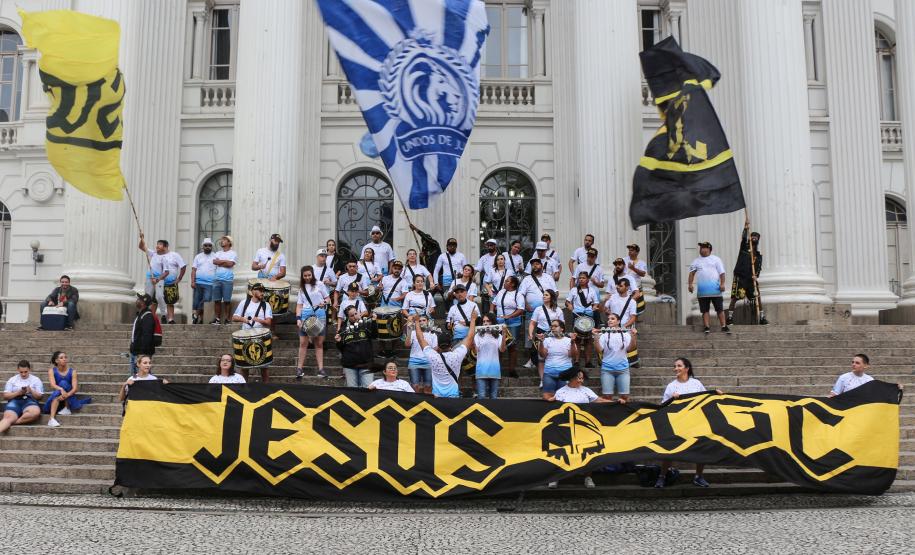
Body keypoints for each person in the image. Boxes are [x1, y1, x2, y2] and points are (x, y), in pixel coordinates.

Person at [656, 357, 721, 488]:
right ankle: (662, 476)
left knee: (702, 448)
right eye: (675, 366)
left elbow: (705, 398)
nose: (676, 368)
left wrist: (716, 393)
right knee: (669, 450)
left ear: (687, 368)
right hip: (677, 423)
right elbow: (663, 406)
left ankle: (698, 476)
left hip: (695, 421)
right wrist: (672, 400)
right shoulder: (671, 386)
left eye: (679, 366)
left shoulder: (696, 383)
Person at [545, 366, 609, 489]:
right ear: (571, 378)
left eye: (582, 378)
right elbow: (552, 406)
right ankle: (556, 478)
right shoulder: (561, 392)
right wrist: (547, 401)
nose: (581, 380)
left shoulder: (586, 390)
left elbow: (599, 400)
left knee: (587, 453)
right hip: (564, 429)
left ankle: (588, 477)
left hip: (583, 428)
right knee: (561, 453)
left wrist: (616, 402)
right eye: (579, 378)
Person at [413, 313, 476, 398]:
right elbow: (470, 337)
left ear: (438, 346)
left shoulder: (433, 356)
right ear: (450, 345)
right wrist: (473, 319)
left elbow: (420, 339)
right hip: (453, 396)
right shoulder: (457, 355)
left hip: (437, 396)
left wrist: (417, 322)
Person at [519, 258, 558, 369]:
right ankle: (531, 360)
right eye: (533, 265)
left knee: (548, 336)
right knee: (531, 336)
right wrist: (526, 305)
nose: (535, 266)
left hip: (547, 313)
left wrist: (553, 304)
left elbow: (555, 292)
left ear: (542, 266)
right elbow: (521, 294)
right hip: (531, 312)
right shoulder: (527, 279)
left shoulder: (548, 277)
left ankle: (549, 358)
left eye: (537, 264)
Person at [231, 282, 273, 382]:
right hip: (246, 335)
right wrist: (243, 319)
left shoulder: (266, 305)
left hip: (261, 336)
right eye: (260, 290)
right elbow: (234, 317)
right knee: (245, 365)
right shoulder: (244, 302)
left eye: (263, 291)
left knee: (264, 365)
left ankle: (266, 387)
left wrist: (258, 320)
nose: (262, 293)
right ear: (252, 291)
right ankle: (244, 386)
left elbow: (268, 322)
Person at [138, 235, 185, 324]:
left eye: (159, 244)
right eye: (157, 244)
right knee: (154, 301)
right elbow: (141, 247)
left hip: (169, 283)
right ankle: (151, 319)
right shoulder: (154, 254)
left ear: (166, 246)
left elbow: (183, 266)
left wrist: (179, 278)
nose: (157, 246)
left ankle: (170, 319)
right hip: (157, 282)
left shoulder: (174, 255)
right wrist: (141, 238)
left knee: (169, 301)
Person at [295, 265, 331, 380]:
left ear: (312, 274)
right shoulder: (301, 288)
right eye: (305, 276)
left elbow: (328, 298)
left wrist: (324, 303)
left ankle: (321, 369)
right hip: (305, 316)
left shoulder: (320, 284)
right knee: (303, 343)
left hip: (319, 315)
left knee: (319, 343)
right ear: (302, 276)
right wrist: (298, 318)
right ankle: (299, 368)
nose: (307, 277)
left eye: (309, 275)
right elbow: (299, 305)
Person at [727, 229, 768, 325]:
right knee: (735, 297)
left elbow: (758, 268)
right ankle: (729, 318)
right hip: (741, 278)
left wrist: (756, 276)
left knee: (757, 297)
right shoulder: (744, 249)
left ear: (758, 240)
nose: (754, 237)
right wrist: (745, 229)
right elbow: (743, 238)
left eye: (756, 237)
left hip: (751, 280)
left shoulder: (758, 256)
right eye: (752, 236)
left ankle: (762, 317)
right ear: (750, 238)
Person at [688, 242, 729, 335]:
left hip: (716, 290)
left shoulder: (716, 259)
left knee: (719, 309)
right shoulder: (696, 261)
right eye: (701, 248)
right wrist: (690, 285)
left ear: (709, 249)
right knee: (704, 310)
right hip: (702, 292)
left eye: (703, 247)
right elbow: (691, 273)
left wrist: (722, 284)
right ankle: (706, 326)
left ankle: (724, 326)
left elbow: (722, 273)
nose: (701, 249)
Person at [594, 315, 637, 402]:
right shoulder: (603, 335)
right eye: (608, 319)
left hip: (623, 369)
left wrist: (633, 336)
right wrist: (596, 338)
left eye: (612, 319)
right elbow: (599, 350)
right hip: (607, 369)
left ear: (618, 321)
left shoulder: (625, 334)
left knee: (625, 396)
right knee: (607, 396)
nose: (609, 320)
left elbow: (631, 349)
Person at [43, 351, 91, 428]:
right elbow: (53, 385)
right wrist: (61, 389)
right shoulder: (52, 371)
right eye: (61, 358)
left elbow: (75, 389)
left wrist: (65, 395)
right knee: (60, 388)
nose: (64, 359)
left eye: (65, 357)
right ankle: (65, 410)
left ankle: (53, 418)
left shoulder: (73, 372)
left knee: (63, 384)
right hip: (58, 395)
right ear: (56, 361)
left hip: (68, 397)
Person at [335, 305, 378, 388]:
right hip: (350, 366)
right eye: (352, 315)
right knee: (352, 391)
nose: (355, 317)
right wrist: (339, 341)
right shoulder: (343, 329)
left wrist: (373, 321)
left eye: (356, 313)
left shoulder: (366, 324)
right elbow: (341, 348)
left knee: (367, 390)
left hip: (366, 364)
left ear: (358, 312)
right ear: (348, 317)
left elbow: (374, 335)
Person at [527, 289, 564, 383]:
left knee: (553, 355)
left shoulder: (558, 310)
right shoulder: (538, 309)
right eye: (543, 294)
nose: (544, 296)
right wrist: (530, 334)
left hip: (554, 334)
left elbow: (562, 324)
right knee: (540, 357)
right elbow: (532, 323)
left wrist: (561, 335)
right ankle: (542, 379)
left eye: (546, 295)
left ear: (552, 297)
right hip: (541, 333)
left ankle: (554, 376)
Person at [537, 320, 578, 400]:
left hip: (565, 374)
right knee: (547, 397)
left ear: (562, 329)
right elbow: (543, 355)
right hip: (549, 373)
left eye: (555, 326)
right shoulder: (547, 340)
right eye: (552, 326)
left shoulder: (568, 340)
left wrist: (573, 342)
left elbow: (573, 355)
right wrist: (541, 342)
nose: (553, 328)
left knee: (564, 398)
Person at [566, 272, 599, 367]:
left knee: (589, 341)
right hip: (577, 316)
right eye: (580, 278)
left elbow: (596, 302)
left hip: (589, 317)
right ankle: (576, 361)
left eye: (583, 278)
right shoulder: (574, 290)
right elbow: (568, 301)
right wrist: (569, 305)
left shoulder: (592, 290)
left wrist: (594, 308)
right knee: (576, 339)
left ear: (587, 279)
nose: (581, 279)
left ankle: (588, 362)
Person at [493, 275, 524, 377]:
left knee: (512, 346)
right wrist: (491, 311)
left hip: (513, 324)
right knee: (499, 345)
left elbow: (521, 309)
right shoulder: (501, 292)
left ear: (513, 284)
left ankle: (512, 370)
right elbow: (493, 303)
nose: (504, 282)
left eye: (507, 281)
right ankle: (497, 369)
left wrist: (509, 316)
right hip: (500, 323)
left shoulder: (518, 294)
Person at [0, 360, 43, 433]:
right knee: (8, 418)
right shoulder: (12, 379)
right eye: (21, 372)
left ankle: (14, 422)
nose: (23, 374)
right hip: (15, 401)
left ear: (29, 369)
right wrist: (17, 393)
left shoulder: (36, 380)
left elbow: (40, 396)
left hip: (30, 401)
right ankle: (9, 421)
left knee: (35, 412)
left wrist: (31, 390)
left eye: (26, 372)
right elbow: (5, 396)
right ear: (18, 370)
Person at [474, 313, 507, 399]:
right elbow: (476, 351)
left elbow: (502, 350)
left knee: (493, 397)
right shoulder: (477, 335)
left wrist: (504, 334)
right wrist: (472, 338)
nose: (485, 323)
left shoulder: (498, 336)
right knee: (481, 396)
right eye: (484, 321)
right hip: (481, 370)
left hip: (494, 369)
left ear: (492, 322)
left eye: (488, 321)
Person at [404, 313, 439, 394]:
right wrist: (409, 331)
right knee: (415, 386)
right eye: (419, 321)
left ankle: (427, 401)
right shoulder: (413, 333)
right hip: (414, 361)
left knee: (428, 386)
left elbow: (435, 349)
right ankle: (415, 401)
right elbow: (407, 345)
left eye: (424, 320)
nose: (422, 322)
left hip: (429, 362)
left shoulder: (433, 334)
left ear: (428, 321)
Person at [212, 235, 238, 325]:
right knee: (217, 300)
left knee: (227, 301)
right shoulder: (217, 253)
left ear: (229, 242)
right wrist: (225, 261)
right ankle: (217, 319)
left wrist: (220, 262)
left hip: (227, 280)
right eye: (222, 239)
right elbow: (214, 262)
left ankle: (227, 319)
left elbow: (230, 264)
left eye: (224, 240)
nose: (222, 241)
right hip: (217, 279)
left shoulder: (233, 253)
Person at [129, 293, 157, 377]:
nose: (137, 301)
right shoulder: (141, 315)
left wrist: (142, 354)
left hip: (141, 353)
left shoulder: (147, 316)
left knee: (143, 378)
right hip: (136, 351)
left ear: (143, 303)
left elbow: (147, 336)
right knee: (137, 378)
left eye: (139, 299)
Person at [190, 238, 216, 325]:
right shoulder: (198, 256)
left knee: (206, 300)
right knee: (197, 301)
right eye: (206, 245)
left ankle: (196, 315)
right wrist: (192, 281)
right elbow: (193, 270)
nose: (207, 247)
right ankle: (200, 319)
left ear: (212, 247)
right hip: (198, 283)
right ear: (203, 246)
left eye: (209, 245)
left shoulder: (215, 256)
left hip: (210, 283)